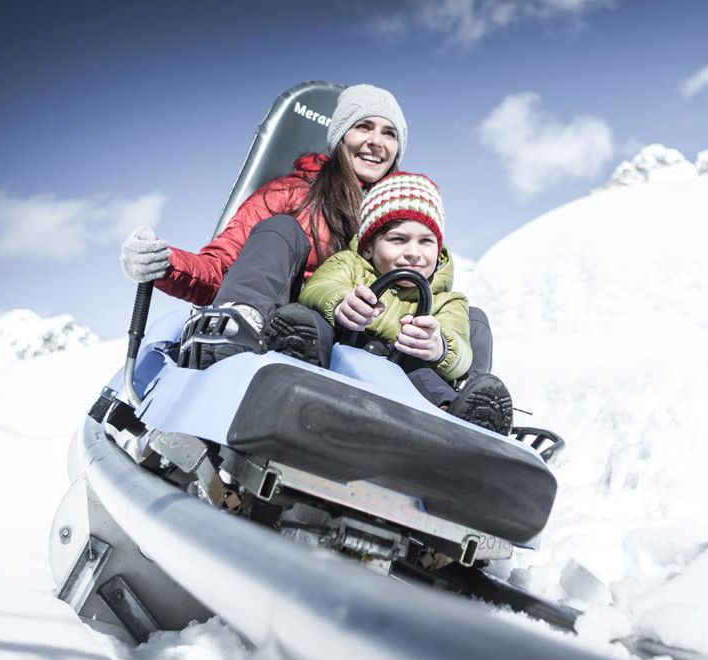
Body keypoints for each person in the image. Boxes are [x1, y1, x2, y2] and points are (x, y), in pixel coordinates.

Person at [119, 83, 494, 376]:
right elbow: (224, 270)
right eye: (363, 126)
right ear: (340, 136)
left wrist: (439, 342)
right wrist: (166, 264)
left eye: (389, 133)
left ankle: (464, 416)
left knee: (471, 319)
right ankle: (236, 333)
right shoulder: (289, 194)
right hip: (292, 329)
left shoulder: (408, 216)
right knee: (281, 230)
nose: (376, 142)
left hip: (376, 345)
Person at [263, 172, 513, 435]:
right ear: (369, 247)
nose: (413, 253)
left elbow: (460, 347)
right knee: (311, 322)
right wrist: (340, 305)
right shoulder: (349, 265)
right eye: (398, 239)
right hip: (338, 352)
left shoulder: (448, 301)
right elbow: (319, 287)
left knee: (423, 372)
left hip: (403, 374)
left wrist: (439, 347)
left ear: (438, 251)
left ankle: (456, 415)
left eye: (426, 241)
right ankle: (294, 358)